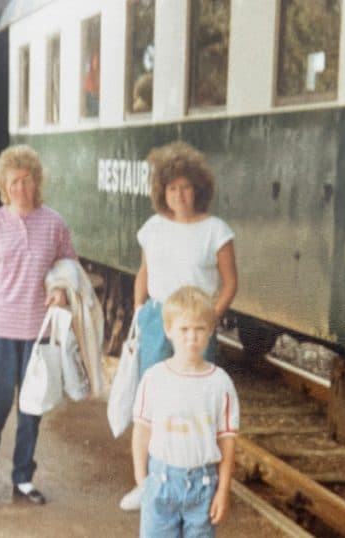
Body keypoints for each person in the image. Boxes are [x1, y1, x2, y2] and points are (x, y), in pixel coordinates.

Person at [0, 145, 77, 506]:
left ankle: (23, 477)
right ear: (4, 186)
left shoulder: (54, 223)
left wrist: (61, 292)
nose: (22, 187)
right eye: (14, 181)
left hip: (39, 333)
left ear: (37, 182)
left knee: (32, 409)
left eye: (27, 179)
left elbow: (68, 268)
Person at [121, 141, 239, 509]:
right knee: (152, 399)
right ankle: (148, 482)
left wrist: (209, 316)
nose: (180, 194)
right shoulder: (153, 227)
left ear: (198, 189)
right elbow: (144, 271)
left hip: (195, 323)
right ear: (162, 192)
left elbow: (230, 281)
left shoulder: (216, 230)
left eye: (186, 187)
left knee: (195, 398)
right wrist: (139, 309)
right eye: (172, 188)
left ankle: (198, 484)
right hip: (158, 319)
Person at [132, 286, 239, 537]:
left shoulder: (220, 383)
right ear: (168, 330)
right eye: (184, 329)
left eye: (200, 329)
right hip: (161, 482)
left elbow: (227, 440)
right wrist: (141, 480)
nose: (192, 337)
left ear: (211, 331)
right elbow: (142, 429)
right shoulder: (154, 378)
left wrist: (223, 491)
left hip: (203, 487)